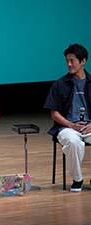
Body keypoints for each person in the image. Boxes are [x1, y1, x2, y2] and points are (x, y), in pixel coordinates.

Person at [44, 43, 91, 192]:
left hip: (89, 126)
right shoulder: (60, 84)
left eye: (72, 61)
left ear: (83, 61)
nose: (69, 64)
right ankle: (77, 179)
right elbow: (54, 113)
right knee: (73, 142)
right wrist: (71, 125)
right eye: (67, 61)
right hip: (67, 127)